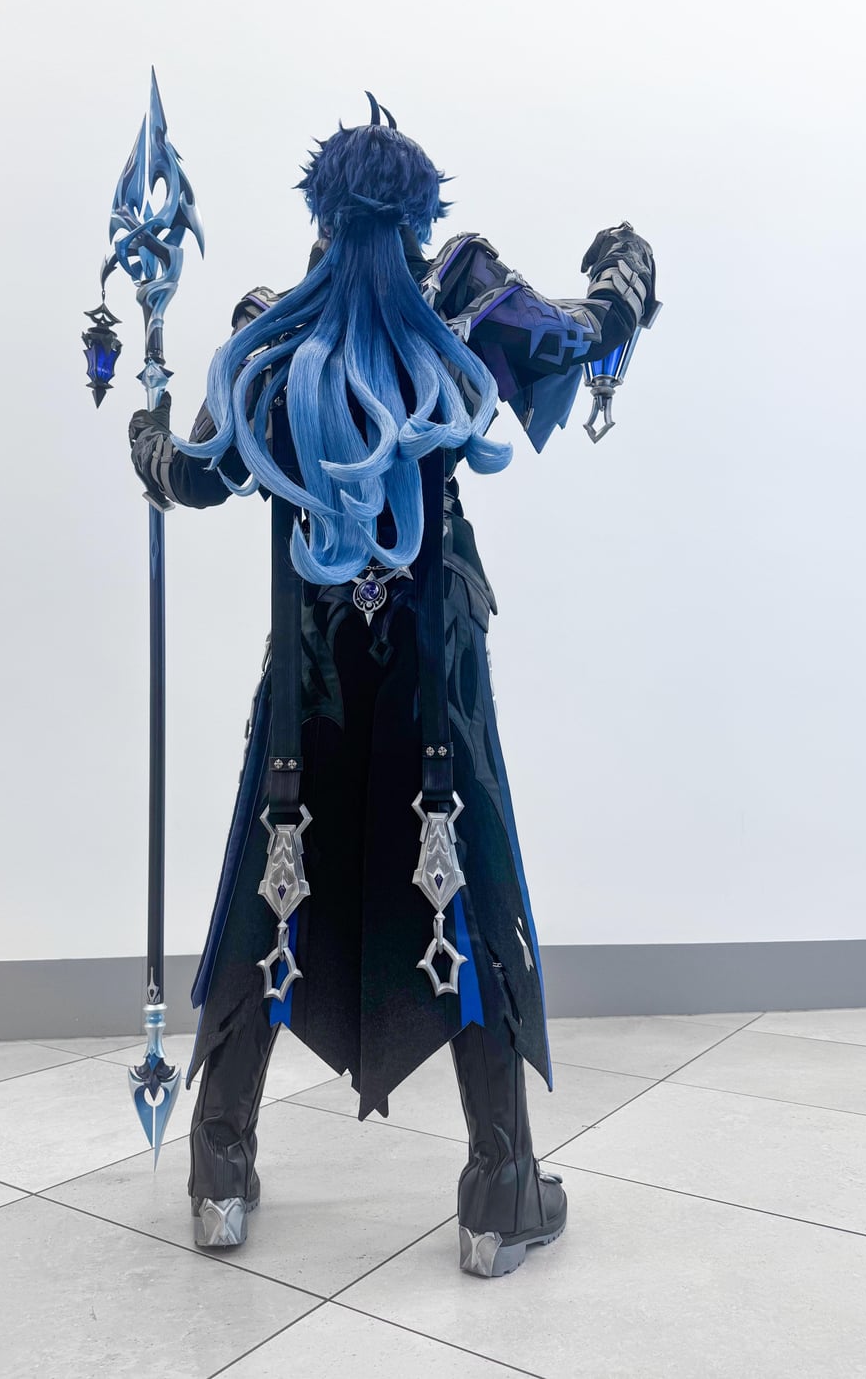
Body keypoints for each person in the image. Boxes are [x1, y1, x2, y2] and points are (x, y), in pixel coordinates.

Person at [128, 95, 657, 1278]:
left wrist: (147, 435)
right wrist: (627, 274)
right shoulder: (458, 317)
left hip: (311, 683)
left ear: (319, 218)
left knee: (274, 882)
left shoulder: (269, 343)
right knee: (461, 883)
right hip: (432, 679)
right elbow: (585, 335)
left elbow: (193, 477)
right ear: (419, 220)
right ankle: (499, 1192)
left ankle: (219, 1171)